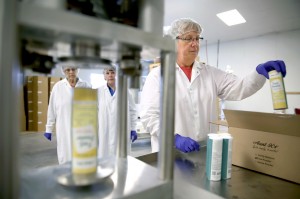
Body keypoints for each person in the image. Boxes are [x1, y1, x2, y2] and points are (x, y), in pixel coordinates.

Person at [140, 18, 286, 153]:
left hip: (203, 151)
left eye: (197, 38)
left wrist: (259, 72)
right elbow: (149, 117)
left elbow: (240, 87)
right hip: (169, 153)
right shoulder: (157, 76)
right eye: (189, 38)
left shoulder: (210, 73)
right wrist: (174, 138)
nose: (195, 43)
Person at [44, 66, 92, 164]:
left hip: (82, 128)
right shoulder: (58, 87)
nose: (71, 72)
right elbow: (52, 109)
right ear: (64, 72)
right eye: (68, 70)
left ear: (78, 70)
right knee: (65, 155)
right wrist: (49, 128)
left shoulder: (86, 86)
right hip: (63, 127)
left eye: (73, 69)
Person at [97, 65, 138, 158]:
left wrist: (133, 129)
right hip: (104, 133)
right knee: (105, 160)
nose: (110, 75)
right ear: (104, 76)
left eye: (112, 72)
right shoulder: (98, 92)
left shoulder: (125, 91)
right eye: (107, 73)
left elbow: (132, 110)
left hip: (121, 132)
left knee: (121, 159)